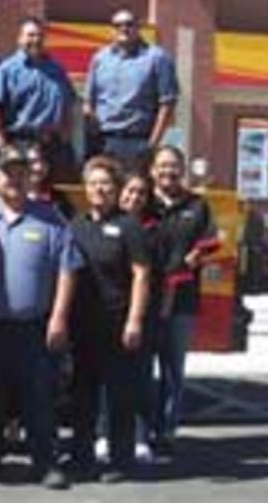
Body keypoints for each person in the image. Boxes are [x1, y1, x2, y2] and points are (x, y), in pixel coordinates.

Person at [0, 146, 79, 490]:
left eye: (21, 173)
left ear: (30, 177)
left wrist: (59, 317)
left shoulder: (51, 219)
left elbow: (67, 271)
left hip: (34, 328)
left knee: (39, 399)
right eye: (7, 173)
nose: (14, 179)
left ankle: (45, 462)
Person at [68, 156, 151, 483]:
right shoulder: (77, 224)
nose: (99, 189)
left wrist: (135, 320)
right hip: (83, 324)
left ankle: (120, 460)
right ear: (85, 188)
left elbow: (141, 274)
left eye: (106, 183)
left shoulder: (129, 226)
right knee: (82, 394)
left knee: (119, 395)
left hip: (118, 323)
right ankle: (81, 457)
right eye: (93, 183)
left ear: (116, 188)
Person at [148, 145, 218, 454]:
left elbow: (211, 240)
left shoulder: (197, 205)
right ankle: (139, 430)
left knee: (172, 369)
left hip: (182, 299)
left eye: (174, 165)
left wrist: (195, 257)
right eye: (162, 165)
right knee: (139, 368)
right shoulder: (143, 203)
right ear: (152, 170)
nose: (168, 171)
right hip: (145, 300)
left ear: (183, 169)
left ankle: (166, 431)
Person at [92, 171, 160, 465]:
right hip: (109, 316)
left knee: (140, 378)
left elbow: (152, 273)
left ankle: (140, 436)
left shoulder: (152, 229)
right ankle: (103, 434)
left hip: (144, 314)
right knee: (106, 382)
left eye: (141, 193)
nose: (134, 197)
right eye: (130, 191)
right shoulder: (101, 224)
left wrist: (140, 317)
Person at [83, 9, 180, 167]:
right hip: (103, 142)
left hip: (139, 141)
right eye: (118, 25)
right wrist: (92, 135)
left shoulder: (157, 58)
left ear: (138, 27)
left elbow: (167, 105)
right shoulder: (100, 58)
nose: (124, 29)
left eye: (129, 24)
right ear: (111, 29)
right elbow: (88, 101)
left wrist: (152, 145)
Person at [0, 17, 76, 176]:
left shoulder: (57, 70)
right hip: (20, 144)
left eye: (40, 35)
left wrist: (66, 141)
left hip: (52, 145)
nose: (35, 40)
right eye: (30, 35)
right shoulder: (6, 70)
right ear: (19, 39)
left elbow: (68, 108)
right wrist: (4, 149)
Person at [25, 141, 76, 222]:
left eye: (43, 161)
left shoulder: (58, 200)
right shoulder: (15, 197)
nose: (39, 167)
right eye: (33, 162)